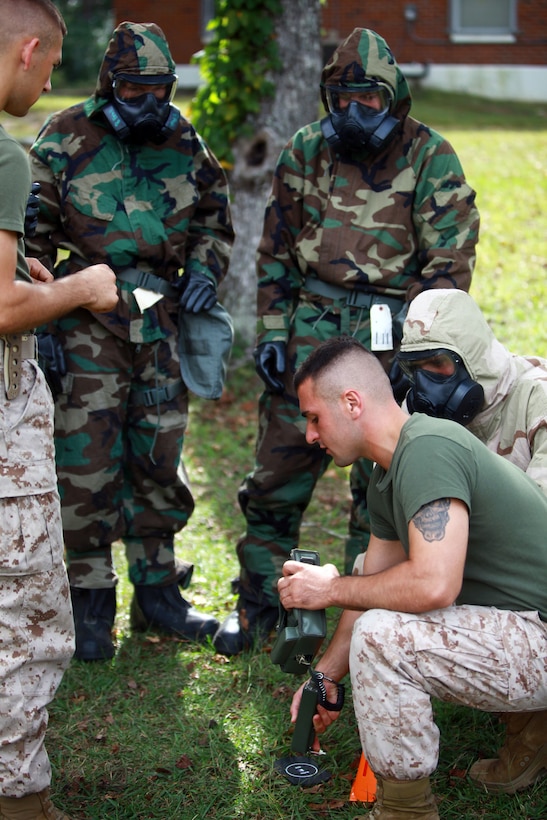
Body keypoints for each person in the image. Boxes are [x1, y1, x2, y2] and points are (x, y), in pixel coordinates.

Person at [212, 27, 480, 656]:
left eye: (370, 101)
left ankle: (363, 622)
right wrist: (275, 333)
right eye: (342, 100)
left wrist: (424, 358)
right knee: (277, 472)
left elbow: (449, 267)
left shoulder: (430, 156)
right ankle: (258, 606)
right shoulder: (305, 150)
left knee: (380, 490)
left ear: (395, 100)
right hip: (313, 327)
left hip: (393, 335)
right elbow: (274, 255)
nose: (354, 114)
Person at [25, 21, 234, 661]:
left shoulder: (181, 136)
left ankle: (159, 597)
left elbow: (213, 218)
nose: (149, 102)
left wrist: (203, 271)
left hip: (161, 322)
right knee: (85, 465)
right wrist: (41, 329)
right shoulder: (63, 136)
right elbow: (27, 242)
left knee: (158, 457)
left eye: (160, 89)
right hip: (86, 322)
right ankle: (90, 605)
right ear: (110, 84)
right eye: (135, 89)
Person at [279, 336, 547, 819]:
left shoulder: (427, 450)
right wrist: (324, 678)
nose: (309, 436)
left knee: (383, 637)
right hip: (527, 625)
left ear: (352, 402)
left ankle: (405, 812)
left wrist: (328, 588)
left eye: (314, 417)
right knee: (374, 619)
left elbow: (431, 586)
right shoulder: (389, 473)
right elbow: (375, 586)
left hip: (540, 634)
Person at [0, 1, 119, 816]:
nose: (48, 84)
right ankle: (20, 795)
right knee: (28, 617)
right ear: (30, 48)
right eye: (50, 65)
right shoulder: (7, 160)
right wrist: (81, 287)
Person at [397, 288, 547, 493]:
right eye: (416, 368)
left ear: (472, 357)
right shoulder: (417, 410)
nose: (426, 384)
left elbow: (541, 517)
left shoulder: (538, 398)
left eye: (438, 362)